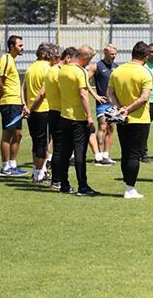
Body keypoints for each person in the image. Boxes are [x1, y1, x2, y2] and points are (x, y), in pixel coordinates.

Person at [107, 42, 153, 199]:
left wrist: (119, 107)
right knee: (134, 155)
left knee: (125, 153)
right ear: (146, 56)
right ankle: (130, 189)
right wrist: (128, 109)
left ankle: (128, 186)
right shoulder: (145, 73)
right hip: (139, 119)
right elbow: (144, 98)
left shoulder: (117, 70)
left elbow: (110, 93)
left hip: (121, 119)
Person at [58, 45, 98, 196]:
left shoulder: (63, 69)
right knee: (80, 153)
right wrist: (88, 115)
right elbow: (83, 94)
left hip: (64, 116)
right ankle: (83, 186)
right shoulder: (80, 71)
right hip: (78, 118)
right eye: (89, 60)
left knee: (64, 153)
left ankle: (64, 184)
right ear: (85, 58)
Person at [0, 35, 29, 177]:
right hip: (9, 102)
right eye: (20, 45)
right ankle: (5, 167)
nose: (22, 48)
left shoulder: (11, 61)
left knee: (18, 134)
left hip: (16, 103)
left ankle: (13, 165)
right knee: (8, 134)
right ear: (12, 46)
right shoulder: (6, 59)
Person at [23, 42, 55, 183]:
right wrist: (32, 108)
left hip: (31, 110)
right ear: (45, 54)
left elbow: (23, 88)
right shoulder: (48, 69)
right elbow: (42, 93)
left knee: (36, 142)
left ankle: (37, 173)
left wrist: (25, 106)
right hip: (43, 109)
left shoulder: (31, 68)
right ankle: (39, 174)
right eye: (52, 54)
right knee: (43, 143)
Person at [45, 46, 76, 191]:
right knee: (60, 149)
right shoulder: (59, 72)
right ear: (68, 57)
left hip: (52, 110)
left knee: (58, 147)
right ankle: (57, 181)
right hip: (60, 112)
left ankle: (56, 180)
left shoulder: (51, 69)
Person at [88, 44, 118, 166]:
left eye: (115, 54)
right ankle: (99, 155)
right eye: (112, 54)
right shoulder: (96, 66)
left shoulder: (117, 67)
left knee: (111, 128)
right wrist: (95, 96)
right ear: (105, 53)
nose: (114, 56)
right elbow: (84, 81)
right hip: (102, 103)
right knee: (103, 126)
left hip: (113, 104)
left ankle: (106, 154)